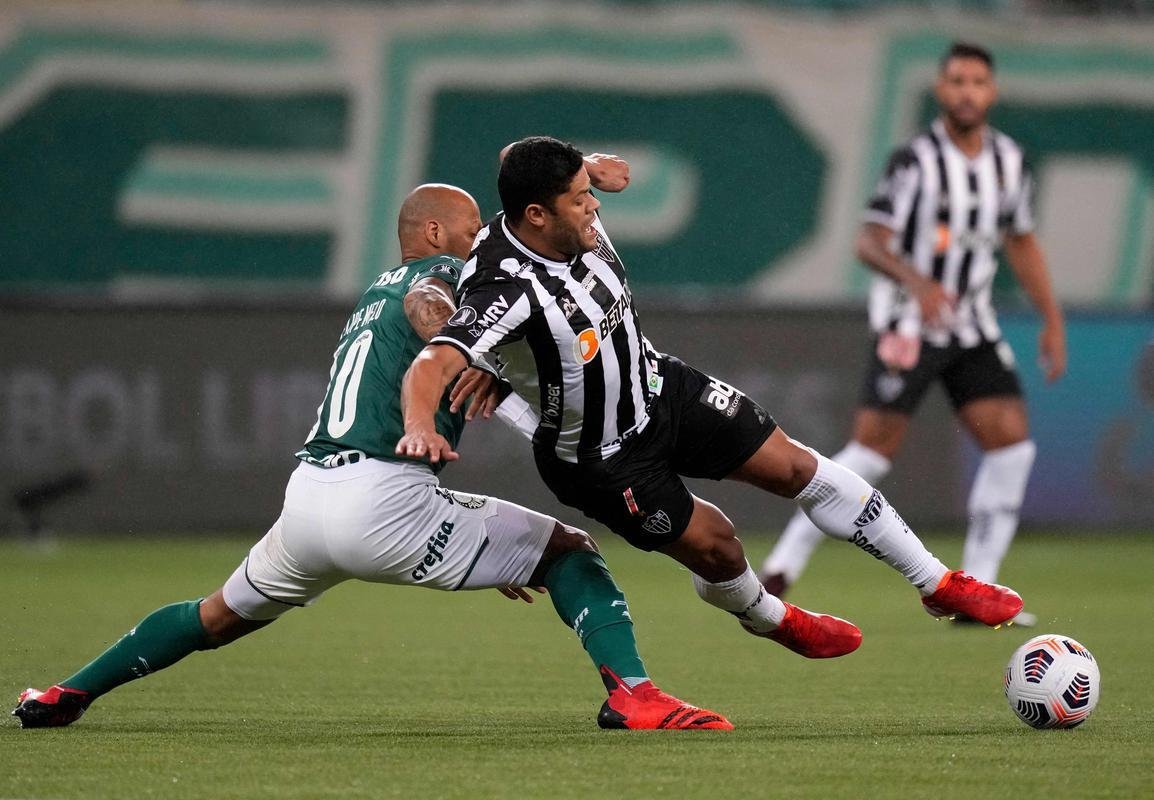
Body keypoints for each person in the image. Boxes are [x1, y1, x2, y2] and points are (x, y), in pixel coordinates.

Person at [13, 181, 733, 732]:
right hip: (385, 500)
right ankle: (634, 698)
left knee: (217, 616)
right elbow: (430, 305)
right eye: (469, 224)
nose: (483, 234)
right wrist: (459, 340)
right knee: (571, 552)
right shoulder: (446, 275)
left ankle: (65, 693)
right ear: (431, 231)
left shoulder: (368, 294)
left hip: (310, 500)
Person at [396, 136, 1025, 667]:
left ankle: (937, 583)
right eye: (581, 200)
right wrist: (422, 424)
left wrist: (590, 163)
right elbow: (433, 361)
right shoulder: (504, 289)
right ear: (536, 215)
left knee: (796, 467)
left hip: (659, 388)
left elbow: (517, 153)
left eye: (590, 193)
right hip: (603, 460)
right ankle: (771, 618)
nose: (594, 209)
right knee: (720, 545)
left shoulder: (562, 205)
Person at [760, 42, 1065, 628]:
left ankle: (982, 590)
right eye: (957, 81)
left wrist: (1051, 319)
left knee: (1012, 448)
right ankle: (783, 563)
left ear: (992, 92)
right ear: (941, 90)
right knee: (869, 455)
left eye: (978, 81)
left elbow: (1021, 241)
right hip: (908, 325)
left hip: (973, 327)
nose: (968, 91)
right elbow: (868, 241)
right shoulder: (914, 161)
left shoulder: (1009, 161)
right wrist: (916, 280)